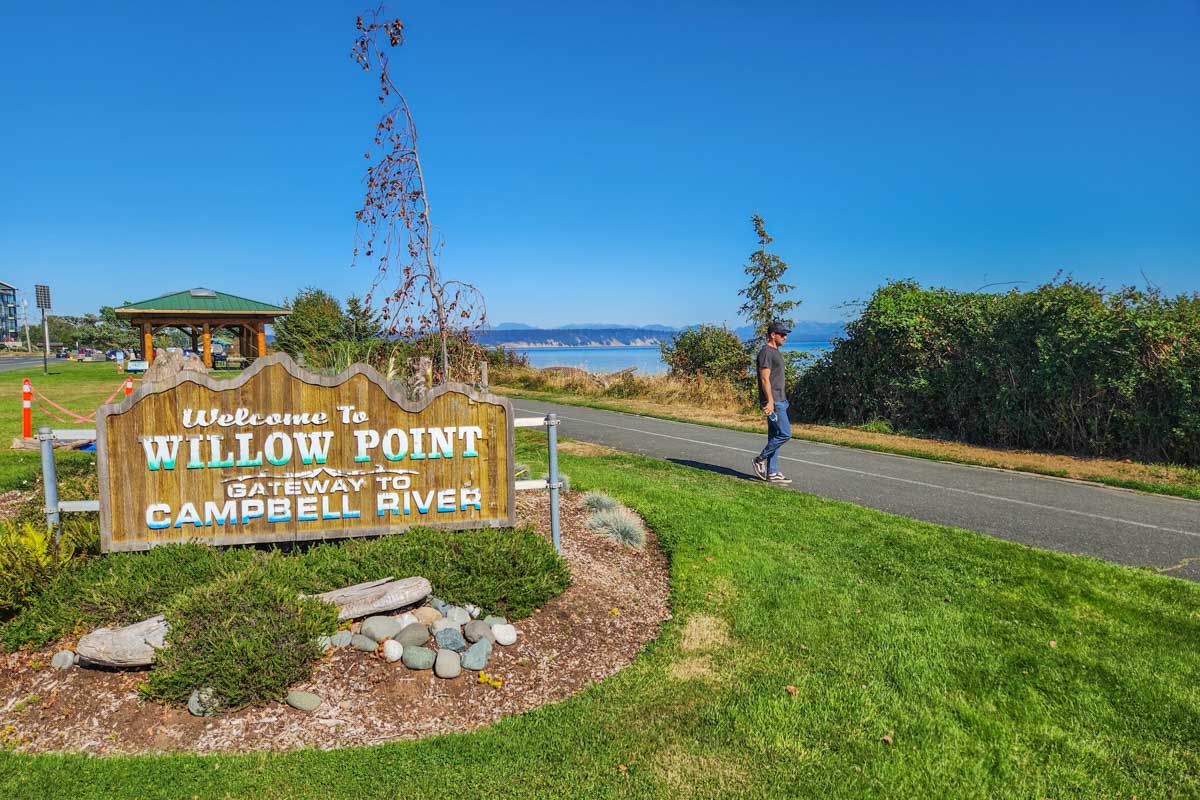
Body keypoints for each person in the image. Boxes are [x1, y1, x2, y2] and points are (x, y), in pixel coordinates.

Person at [752, 321, 792, 483]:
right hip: (774, 402)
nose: (785, 337)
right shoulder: (766, 352)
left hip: (780, 399)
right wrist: (769, 402)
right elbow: (764, 379)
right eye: (782, 334)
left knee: (775, 435)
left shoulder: (775, 352)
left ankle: (772, 472)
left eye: (786, 334)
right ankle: (760, 459)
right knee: (785, 433)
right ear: (772, 335)